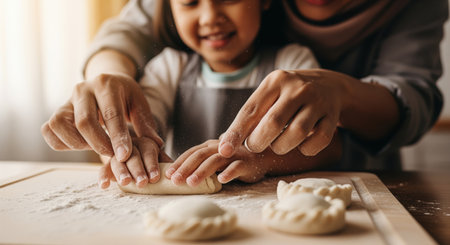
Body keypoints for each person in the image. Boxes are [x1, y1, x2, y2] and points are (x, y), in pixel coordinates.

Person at [41, 0, 448, 188]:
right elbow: (130, 34)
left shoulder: (292, 60)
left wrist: (264, 159)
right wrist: (128, 143)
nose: (210, 16)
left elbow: (331, 143)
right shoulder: (171, 65)